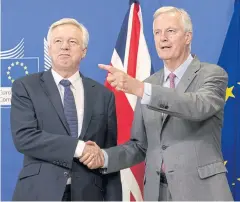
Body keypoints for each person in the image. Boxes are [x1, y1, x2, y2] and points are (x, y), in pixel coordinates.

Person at [81, 6, 234, 201]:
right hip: (157, 192)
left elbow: (198, 106)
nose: (163, 38)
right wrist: (104, 157)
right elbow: (140, 146)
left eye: (171, 31)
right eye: (157, 32)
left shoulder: (212, 74)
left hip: (201, 191)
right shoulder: (149, 84)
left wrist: (141, 89)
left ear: (188, 37)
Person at [10, 18, 122, 201]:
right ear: (49, 48)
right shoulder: (26, 86)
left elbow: (107, 154)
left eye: (72, 42)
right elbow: (24, 137)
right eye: (58, 41)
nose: (64, 47)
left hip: (89, 194)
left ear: (83, 51)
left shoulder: (103, 95)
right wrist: (79, 148)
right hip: (39, 193)